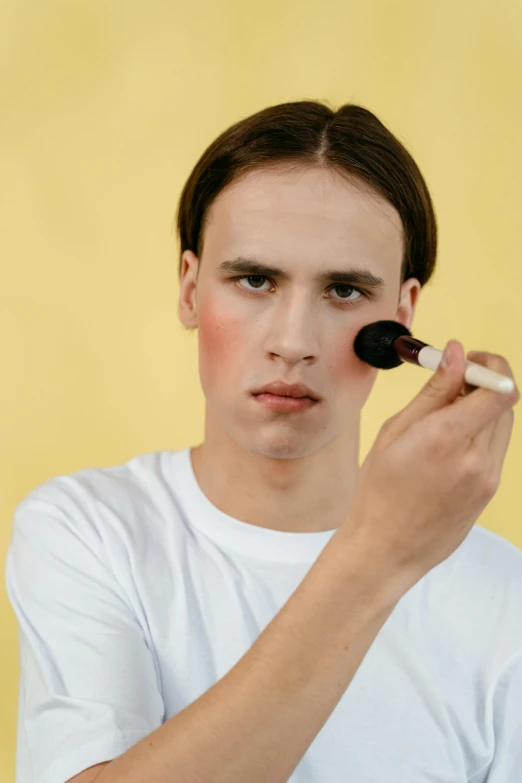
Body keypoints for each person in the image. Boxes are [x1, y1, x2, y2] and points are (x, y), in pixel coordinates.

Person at [5, 101, 521, 783]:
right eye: (255, 280)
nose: (292, 342)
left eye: (343, 290)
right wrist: (375, 556)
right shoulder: (87, 531)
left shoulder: (503, 596)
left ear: (403, 317)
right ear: (190, 288)